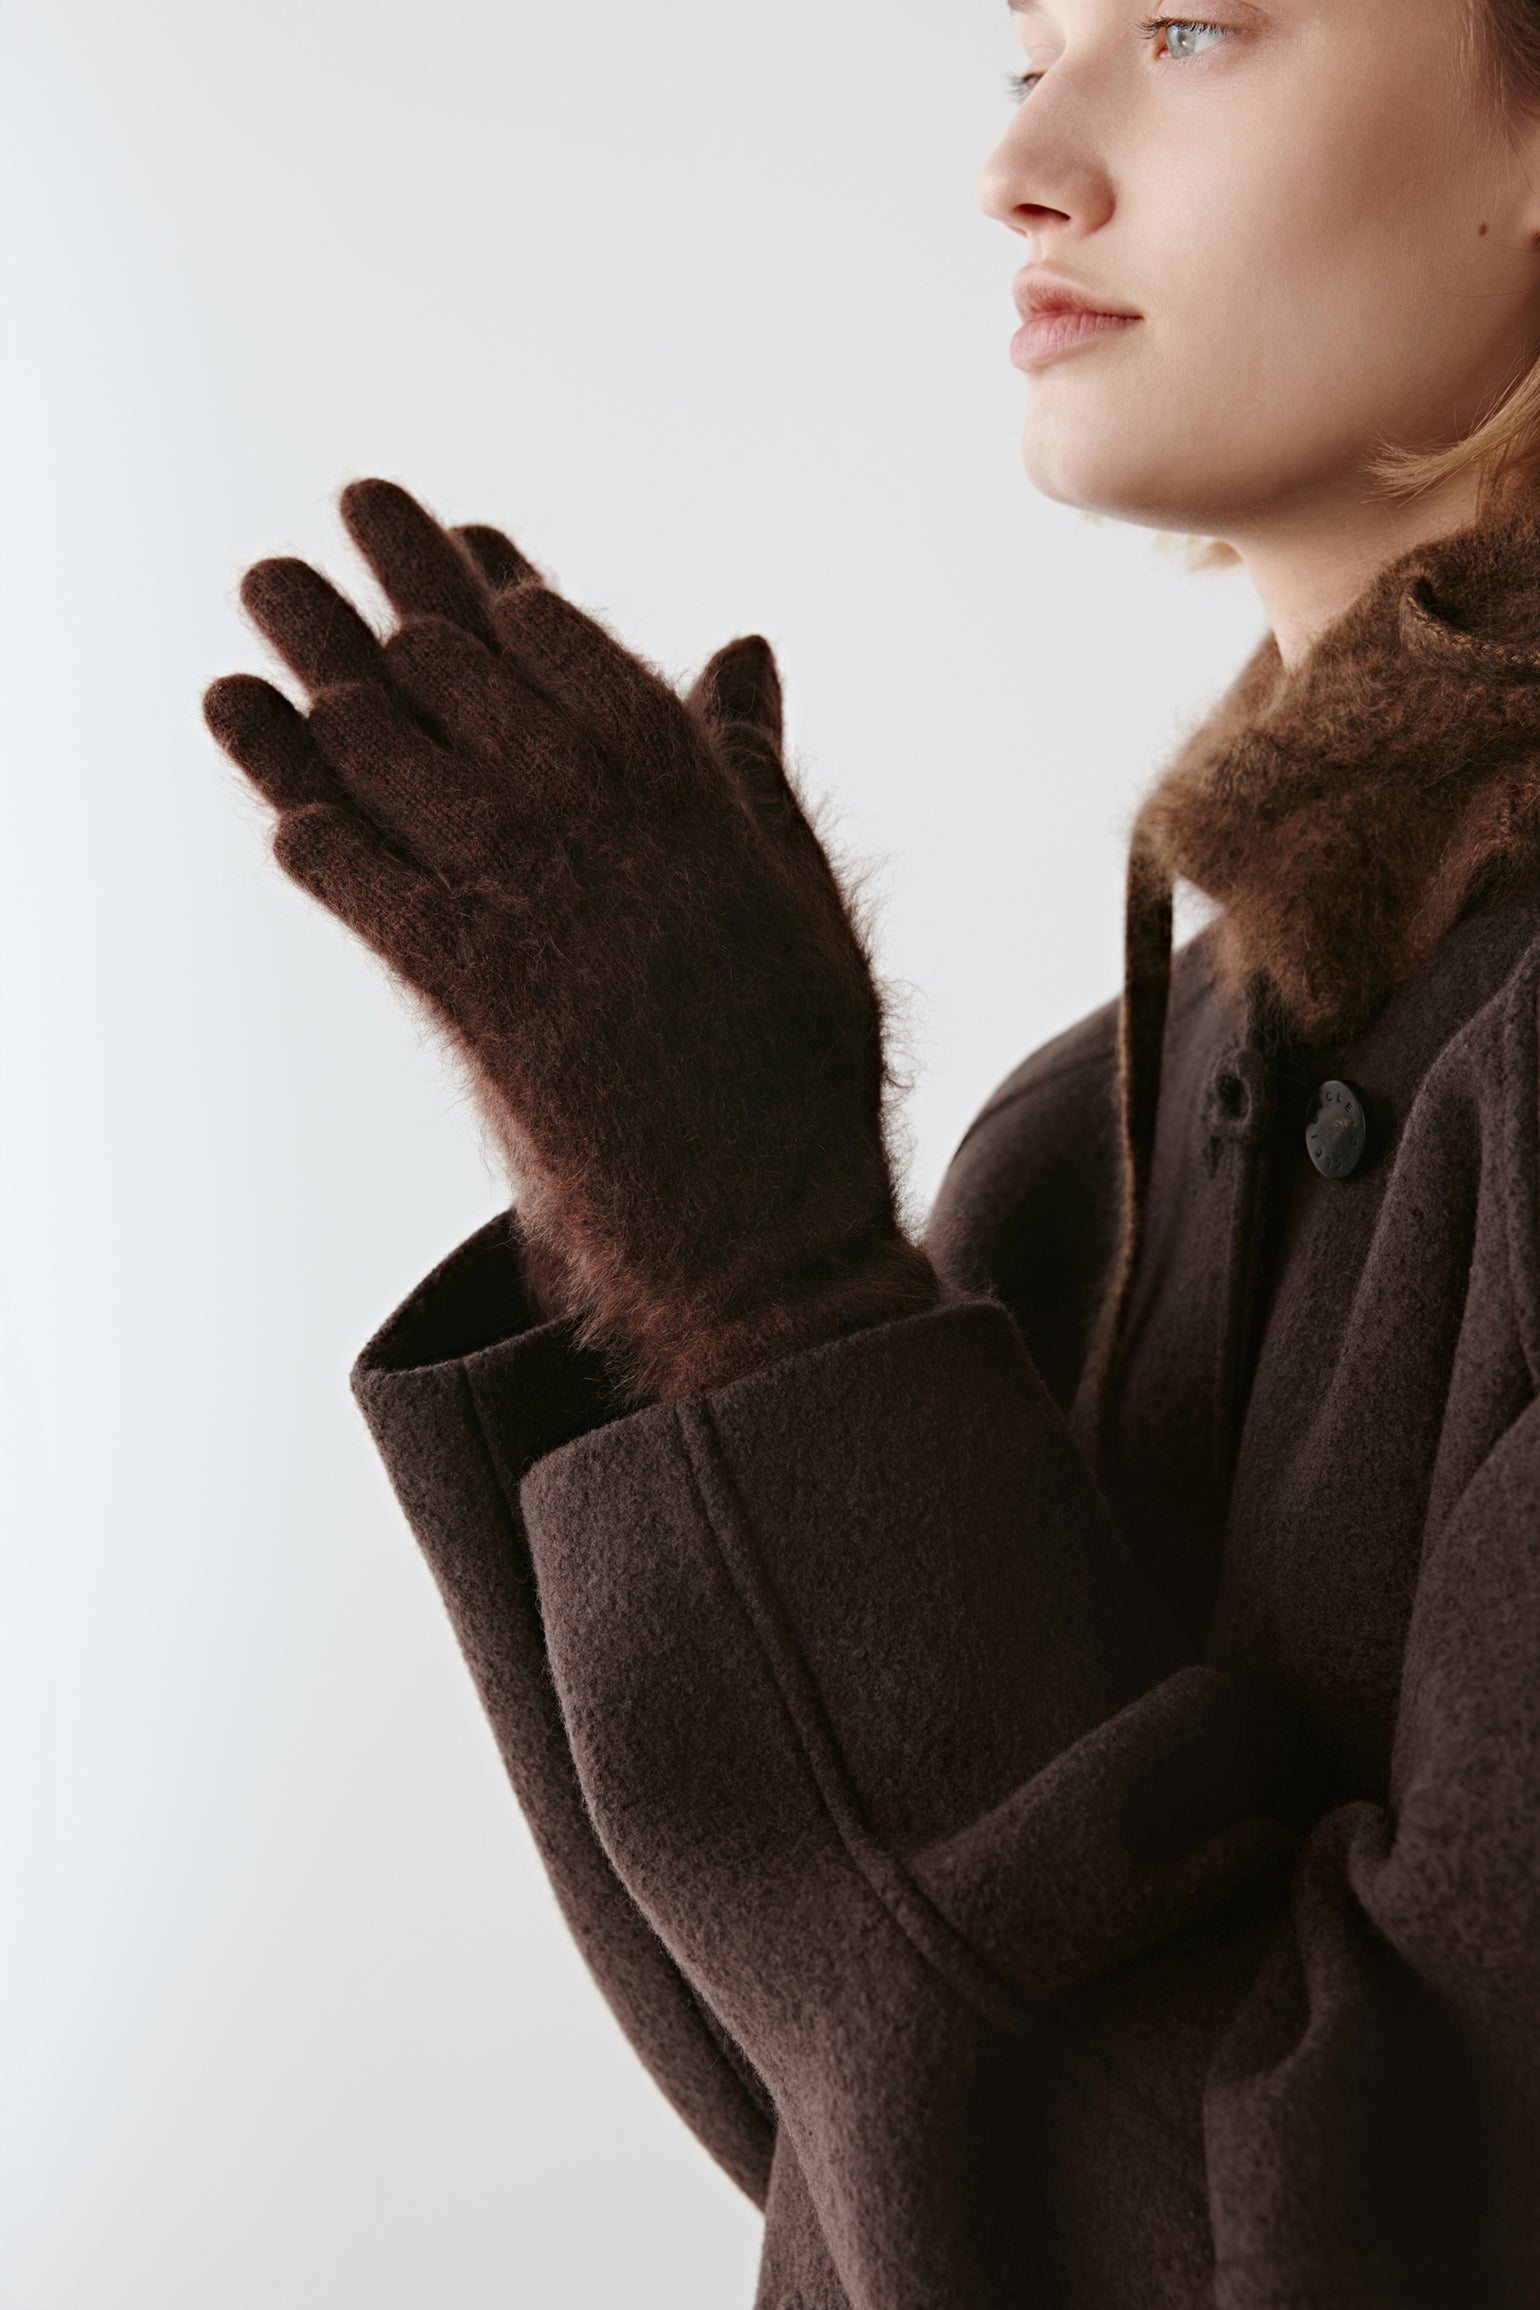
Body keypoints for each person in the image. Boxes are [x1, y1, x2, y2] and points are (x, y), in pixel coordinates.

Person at [202, 2, 1540, 2301]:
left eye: (1187, 28)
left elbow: (1338, 2229)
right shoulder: (1080, 1142)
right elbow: (872, 2161)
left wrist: (772, 1300)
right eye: (1022, 49)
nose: (1021, 160)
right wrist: (656, 1219)